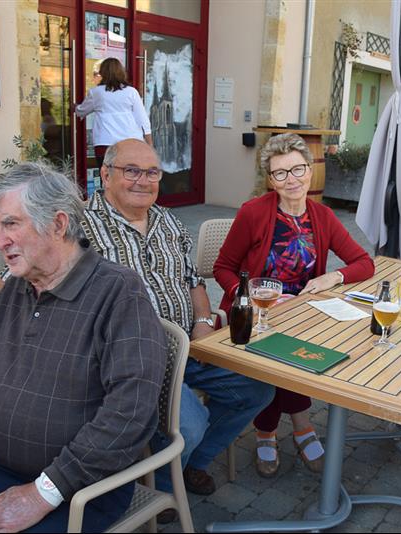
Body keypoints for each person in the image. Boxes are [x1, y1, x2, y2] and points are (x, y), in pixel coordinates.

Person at [0, 162, 166, 532]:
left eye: (11, 224)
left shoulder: (118, 292)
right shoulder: (19, 283)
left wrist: (42, 492)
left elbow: (131, 412)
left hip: (73, 486)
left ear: (58, 224)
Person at [81, 139, 274, 519]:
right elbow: (20, 279)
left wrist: (203, 322)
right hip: (135, 361)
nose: (143, 180)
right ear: (105, 175)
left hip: (191, 344)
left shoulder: (167, 219)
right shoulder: (78, 226)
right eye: (131, 171)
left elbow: (193, 282)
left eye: (152, 172)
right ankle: (165, 488)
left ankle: (189, 464)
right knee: (188, 424)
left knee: (256, 389)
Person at [214, 133, 375, 478]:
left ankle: (292, 427)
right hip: (253, 315)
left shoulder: (323, 216)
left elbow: (364, 263)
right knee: (277, 356)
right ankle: (276, 429)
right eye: (281, 173)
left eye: (298, 169)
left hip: (300, 312)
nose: (292, 180)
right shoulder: (253, 213)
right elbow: (222, 268)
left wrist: (332, 278)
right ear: (270, 180)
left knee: (313, 347)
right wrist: (246, 300)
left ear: (311, 169)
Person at [75, 58, 152, 169]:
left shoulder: (96, 93)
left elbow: (81, 111)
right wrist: (149, 145)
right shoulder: (131, 92)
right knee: (131, 178)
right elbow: (143, 120)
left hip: (105, 143)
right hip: (131, 143)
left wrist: (75, 107)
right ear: (121, 72)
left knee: (108, 180)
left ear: (102, 73)